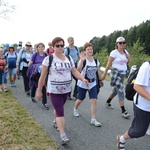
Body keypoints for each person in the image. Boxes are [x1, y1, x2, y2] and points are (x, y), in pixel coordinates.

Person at [36, 37, 88, 144]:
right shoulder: (48, 59)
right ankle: (63, 134)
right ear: (53, 47)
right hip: (54, 90)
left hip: (66, 89)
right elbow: (42, 77)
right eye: (57, 46)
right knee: (60, 111)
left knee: (59, 107)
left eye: (62, 45)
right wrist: (39, 90)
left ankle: (55, 121)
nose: (60, 48)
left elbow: (74, 71)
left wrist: (82, 78)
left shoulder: (69, 58)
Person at [117, 60, 150, 150]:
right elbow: (137, 86)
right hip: (144, 106)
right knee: (139, 131)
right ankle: (121, 139)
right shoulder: (147, 66)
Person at [73, 42, 103, 127]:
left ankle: (93, 119)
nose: (90, 51)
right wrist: (81, 61)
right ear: (85, 51)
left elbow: (97, 71)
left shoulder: (96, 60)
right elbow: (78, 71)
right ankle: (75, 108)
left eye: (91, 49)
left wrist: (100, 80)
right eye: (88, 49)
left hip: (93, 83)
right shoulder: (83, 60)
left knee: (94, 99)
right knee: (80, 99)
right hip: (83, 83)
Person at [101, 37, 130, 118]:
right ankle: (123, 111)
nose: (122, 44)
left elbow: (128, 62)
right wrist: (104, 74)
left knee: (116, 90)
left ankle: (108, 102)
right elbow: (108, 64)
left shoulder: (125, 52)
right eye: (120, 43)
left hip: (123, 74)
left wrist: (128, 57)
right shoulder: (114, 53)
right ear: (117, 44)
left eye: (123, 43)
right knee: (120, 90)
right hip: (115, 73)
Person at [27, 42, 49, 110]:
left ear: (44, 48)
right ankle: (32, 96)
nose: (41, 48)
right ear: (37, 48)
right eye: (39, 47)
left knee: (43, 87)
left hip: (43, 73)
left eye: (42, 47)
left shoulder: (46, 55)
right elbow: (30, 63)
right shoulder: (35, 55)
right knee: (34, 85)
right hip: (35, 73)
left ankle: (44, 103)